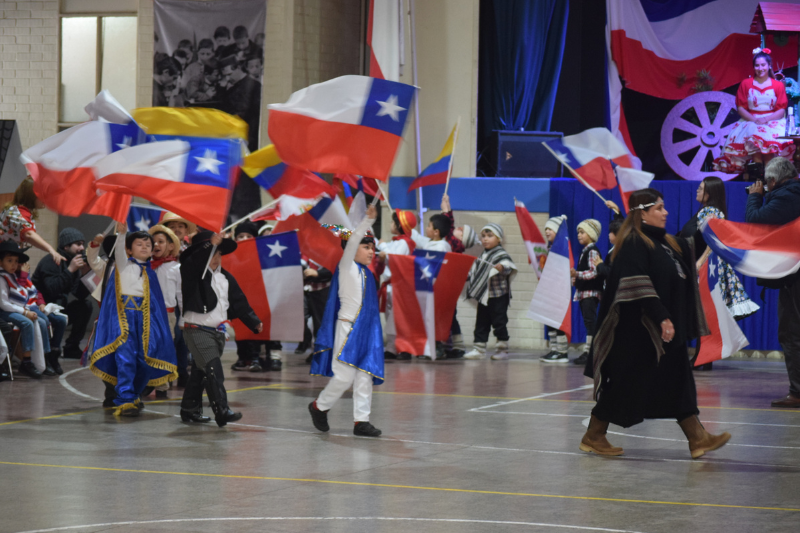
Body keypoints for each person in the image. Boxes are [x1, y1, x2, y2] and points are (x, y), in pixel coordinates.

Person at [580, 188, 730, 459]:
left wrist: (712, 224)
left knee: (678, 380)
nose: (666, 212)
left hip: (664, 332)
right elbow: (637, 282)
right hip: (640, 331)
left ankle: (697, 438)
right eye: (659, 208)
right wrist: (661, 316)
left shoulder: (665, 243)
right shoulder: (635, 243)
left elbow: (687, 247)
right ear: (643, 213)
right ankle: (594, 433)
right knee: (628, 383)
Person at [308, 205, 384, 437]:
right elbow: (351, 242)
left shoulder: (368, 275)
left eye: (373, 248)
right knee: (343, 377)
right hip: (348, 329)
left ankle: (361, 421)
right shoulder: (346, 266)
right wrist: (367, 222)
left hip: (366, 332)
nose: (371, 252)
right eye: (366, 246)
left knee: (364, 377)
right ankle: (319, 407)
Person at [89, 225, 178, 417]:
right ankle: (125, 399)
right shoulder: (122, 265)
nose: (146, 247)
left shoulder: (150, 273)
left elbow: (155, 305)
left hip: (144, 322)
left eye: (148, 244)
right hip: (124, 320)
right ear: (129, 250)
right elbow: (117, 252)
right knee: (125, 359)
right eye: (140, 244)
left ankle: (135, 394)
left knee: (144, 362)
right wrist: (121, 234)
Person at [179, 231, 262, 426]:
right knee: (213, 369)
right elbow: (193, 262)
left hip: (217, 333)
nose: (216, 258)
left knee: (201, 372)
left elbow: (239, 302)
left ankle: (189, 409)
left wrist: (253, 321)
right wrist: (209, 246)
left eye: (218, 254)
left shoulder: (225, 278)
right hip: (197, 330)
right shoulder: (191, 272)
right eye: (211, 254)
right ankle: (222, 411)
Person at [746, 157, 800, 407]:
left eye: (766, 183)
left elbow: (755, 221)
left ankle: (797, 392)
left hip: (794, 276)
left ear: (773, 180)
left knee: (791, 332)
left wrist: (756, 196)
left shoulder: (788, 196)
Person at [713, 49, 795, 174]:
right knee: (754, 139)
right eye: (757, 65)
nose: (760, 68)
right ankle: (757, 180)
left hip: (772, 120)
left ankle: (770, 179)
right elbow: (741, 107)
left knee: (769, 149)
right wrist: (755, 120)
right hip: (751, 120)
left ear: (769, 66)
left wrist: (766, 120)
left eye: (763, 65)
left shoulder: (777, 85)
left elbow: (781, 109)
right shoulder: (746, 84)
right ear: (753, 66)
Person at [32, 228, 93, 360]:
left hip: (59, 309)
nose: (82, 248)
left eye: (83, 243)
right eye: (78, 244)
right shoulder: (50, 261)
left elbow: (80, 295)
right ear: (66, 246)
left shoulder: (72, 262)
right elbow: (52, 290)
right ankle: (50, 352)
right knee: (60, 309)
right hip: (42, 308)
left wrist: (85, 275)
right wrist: (70, 270)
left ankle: (71, 347)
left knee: (85, 305)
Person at [464, 224, 517, 360]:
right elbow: (476, 270)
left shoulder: (500, 253)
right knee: (481, 321)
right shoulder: (484, 254)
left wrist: (502, 268)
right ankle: (479, 349)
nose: (485, 239)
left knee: (499, 322)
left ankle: (502, 350)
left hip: (498, 295)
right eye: (483, 236)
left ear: (499, 239)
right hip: (485, 296)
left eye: (490, 236)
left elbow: (508, 267)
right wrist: (466, 276)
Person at [0, 241, 49, 379]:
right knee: (27, 322)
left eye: (16, 261)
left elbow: (23, 293)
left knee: (40, 320)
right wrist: (25, 312)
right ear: (0, 262)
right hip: (4, 311)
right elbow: (4, 303)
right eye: (9, 261)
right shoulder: (1, 278)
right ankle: (26, 362)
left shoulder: (12, 276)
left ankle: (44, 357)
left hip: (13, 308)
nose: (14, 264)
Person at [148, 225, 184, 397]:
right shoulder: (146, 266)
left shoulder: (176, 268)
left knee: (163, 349)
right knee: (146, 348)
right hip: (146, 314)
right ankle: (148, 381)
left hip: (166, 315)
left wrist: (183, 317)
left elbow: (181, 295)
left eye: (161, 242)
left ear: (170, 246)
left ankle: (162, 386)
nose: (156, 245)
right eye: (153, 241)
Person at [376, 209, 417, 360]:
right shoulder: (396, 242)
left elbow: (394, 259)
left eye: (393, 222)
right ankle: (392, 347)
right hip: (389, 286)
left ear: (399, 225)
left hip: (399, 287)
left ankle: (404, 347)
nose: (390, 224)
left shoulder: (404, 243)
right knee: (390, 317)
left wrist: (382, 247)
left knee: (399, 318)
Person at [0, 178, 65, 264]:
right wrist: (51, 250)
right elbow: (29, 234)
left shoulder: (18, 211)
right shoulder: (17, 212)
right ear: (31, 196)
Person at [570, 219, 603, 367]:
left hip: (591, 292)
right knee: (588, 322)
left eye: (582, 232)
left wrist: (578, 274)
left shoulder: (592, 251)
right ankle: (589, 351)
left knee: (591, 322)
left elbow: (594, 272)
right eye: (578, 232)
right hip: (585, 292)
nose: (579, 235)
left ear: (591, 234)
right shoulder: (585, 251)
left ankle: (591, 352)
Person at [540, 216, 570, 363]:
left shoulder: (562, 248)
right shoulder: (549, 248)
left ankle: (562, 352)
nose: (547, 231)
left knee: (558, 322)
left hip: (558, 291)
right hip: (549, 289)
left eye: (550, 229)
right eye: (545, 228)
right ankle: (554, 349)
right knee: (549, 320)